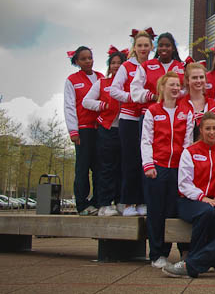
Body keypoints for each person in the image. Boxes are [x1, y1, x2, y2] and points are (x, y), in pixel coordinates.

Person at [141, 71, 194, 268]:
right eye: (171, 84)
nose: (175, 88)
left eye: (177, 85)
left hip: (177, 169)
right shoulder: (152, 111)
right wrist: (149, 165)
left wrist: (186, 169)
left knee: (173, 211)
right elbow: (146, 140)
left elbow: (188, 142)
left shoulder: (186, 111)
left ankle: (174, 251)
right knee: (156, 212)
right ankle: (156, 254)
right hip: (157, 168)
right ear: (162, 88)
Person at [110, 28, 154, 216]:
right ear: (134, 47)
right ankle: (128, 203)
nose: (143, 49)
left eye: (146, 45)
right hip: (129, 118)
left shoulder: (153, 65)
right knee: (130, 161)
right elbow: (113, 90)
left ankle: (143, 201)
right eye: (140, 45)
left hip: (148, 117)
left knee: (146, 160)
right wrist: (132, 97)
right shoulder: (126, 66)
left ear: (151, 47)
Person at [82, 46, 127, 216]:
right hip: (107, 130)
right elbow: (86, 101)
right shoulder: (102, 83)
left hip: (125, 130)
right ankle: (104, 204)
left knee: (122, 167)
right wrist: (102, 105)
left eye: (119, 63)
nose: (116, 66)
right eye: (113, 63)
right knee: (106, 168)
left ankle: (121, 201)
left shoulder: (130, 84)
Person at [177, 111, 215, 256]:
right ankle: (195, 255)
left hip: (213, 200)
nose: (212, 132)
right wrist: (202, 197)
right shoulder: (189, 152)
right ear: (200, 130)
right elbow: (184, 183)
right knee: (205, 211)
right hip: (189, 201)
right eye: (208, 128)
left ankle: (212, 255)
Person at [64, 46, 104, 216]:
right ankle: (82, 204)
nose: (88, 61)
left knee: (99, 167)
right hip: (83, 130)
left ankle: (98, 202)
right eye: (83, 59)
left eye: (90, 57)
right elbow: (69, 106)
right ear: (77, 61)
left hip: (100, 129)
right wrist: (73, 131)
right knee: (83, 167)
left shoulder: (101, 77)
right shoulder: (72, 80)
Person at [131, 32, 186, 112]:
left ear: (173, 48)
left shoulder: (182, 67)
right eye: (161, 45)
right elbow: (135, 89)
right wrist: (153, 96)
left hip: (176, 113)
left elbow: (187, 90)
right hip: (149, 112)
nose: (164, 48)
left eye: (167, 46)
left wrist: (174, 94)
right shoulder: (146, 66)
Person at [181, 61, 215, 145]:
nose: (198, 81)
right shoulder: (180, 105)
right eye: (194, 78)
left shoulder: (214, 105)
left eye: (201, 77)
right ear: (187, 80)